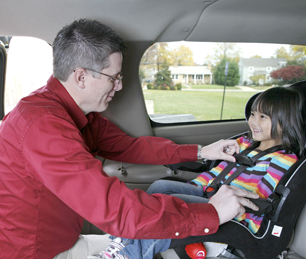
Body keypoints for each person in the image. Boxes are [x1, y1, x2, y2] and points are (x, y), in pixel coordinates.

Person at [0, 19, 260, 259]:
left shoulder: (73, 114)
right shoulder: (43, 126)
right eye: (113, 77)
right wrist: (211, 213)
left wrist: (201, 152)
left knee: (151, 237)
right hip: (37, 253)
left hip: (63, 241)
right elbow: (113, 209)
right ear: (81, 77)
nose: (119, 86)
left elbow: (130, 146)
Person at [89, 86, 304, 259]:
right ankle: (126, 239)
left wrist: (217, 197)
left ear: (285, 123)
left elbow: (259, 198)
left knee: (166, 207)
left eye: (263, 117)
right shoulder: (245, 143)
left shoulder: (283, 160)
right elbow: (218, 170)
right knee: (161, 188)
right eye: (253, 114)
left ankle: (126, 253)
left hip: (237, 211)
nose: (253, 121)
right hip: (208, 192)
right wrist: (198, 183)